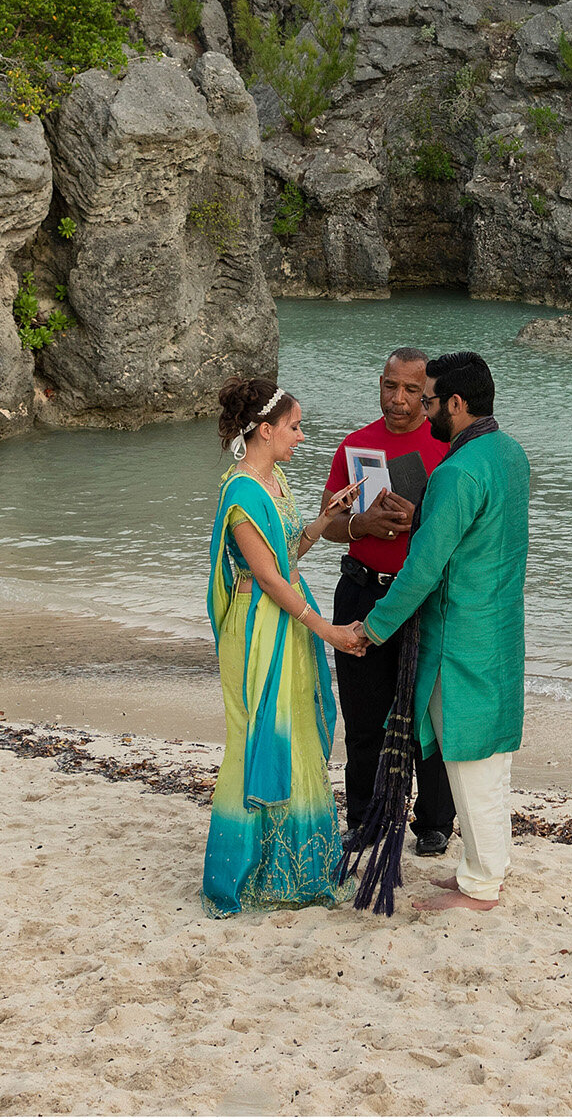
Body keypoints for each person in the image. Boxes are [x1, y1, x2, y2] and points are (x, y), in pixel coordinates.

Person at [357, 351, 530, 913]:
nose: (423, 409)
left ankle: (481, 884)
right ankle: (487, 867)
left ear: (456, 403)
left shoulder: (457, 470)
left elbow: (424, 568)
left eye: (428, 399)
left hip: (460, 637)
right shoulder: (509, 453)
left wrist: (375, 628)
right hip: (499, 625)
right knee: (489, 760)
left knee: (467, 760)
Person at [200, 375, 362, 917]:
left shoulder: (276, 483)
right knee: (259, 734)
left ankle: (293, 868)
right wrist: (331, 631)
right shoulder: (242, 492)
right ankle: (242, 871)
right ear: (265, 431)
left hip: (286, 615)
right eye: (294, 427)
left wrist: (326, 517)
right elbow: (268, 578)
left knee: (293, 734)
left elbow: (289, 556)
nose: (300, 436)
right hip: (258, 627)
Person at [320, 348, 458, 858]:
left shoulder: (446, 448)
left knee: (428, 713)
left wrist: (416, 517)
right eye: (388, 386)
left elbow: (461, 528)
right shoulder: (355, 445)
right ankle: (364, 818)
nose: (397, 400)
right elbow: (325, 523)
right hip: (360, 588)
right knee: (362, 717)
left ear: (430, 395)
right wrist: (362, 524)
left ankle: (434, 823)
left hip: (420, 596)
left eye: (410, 390)